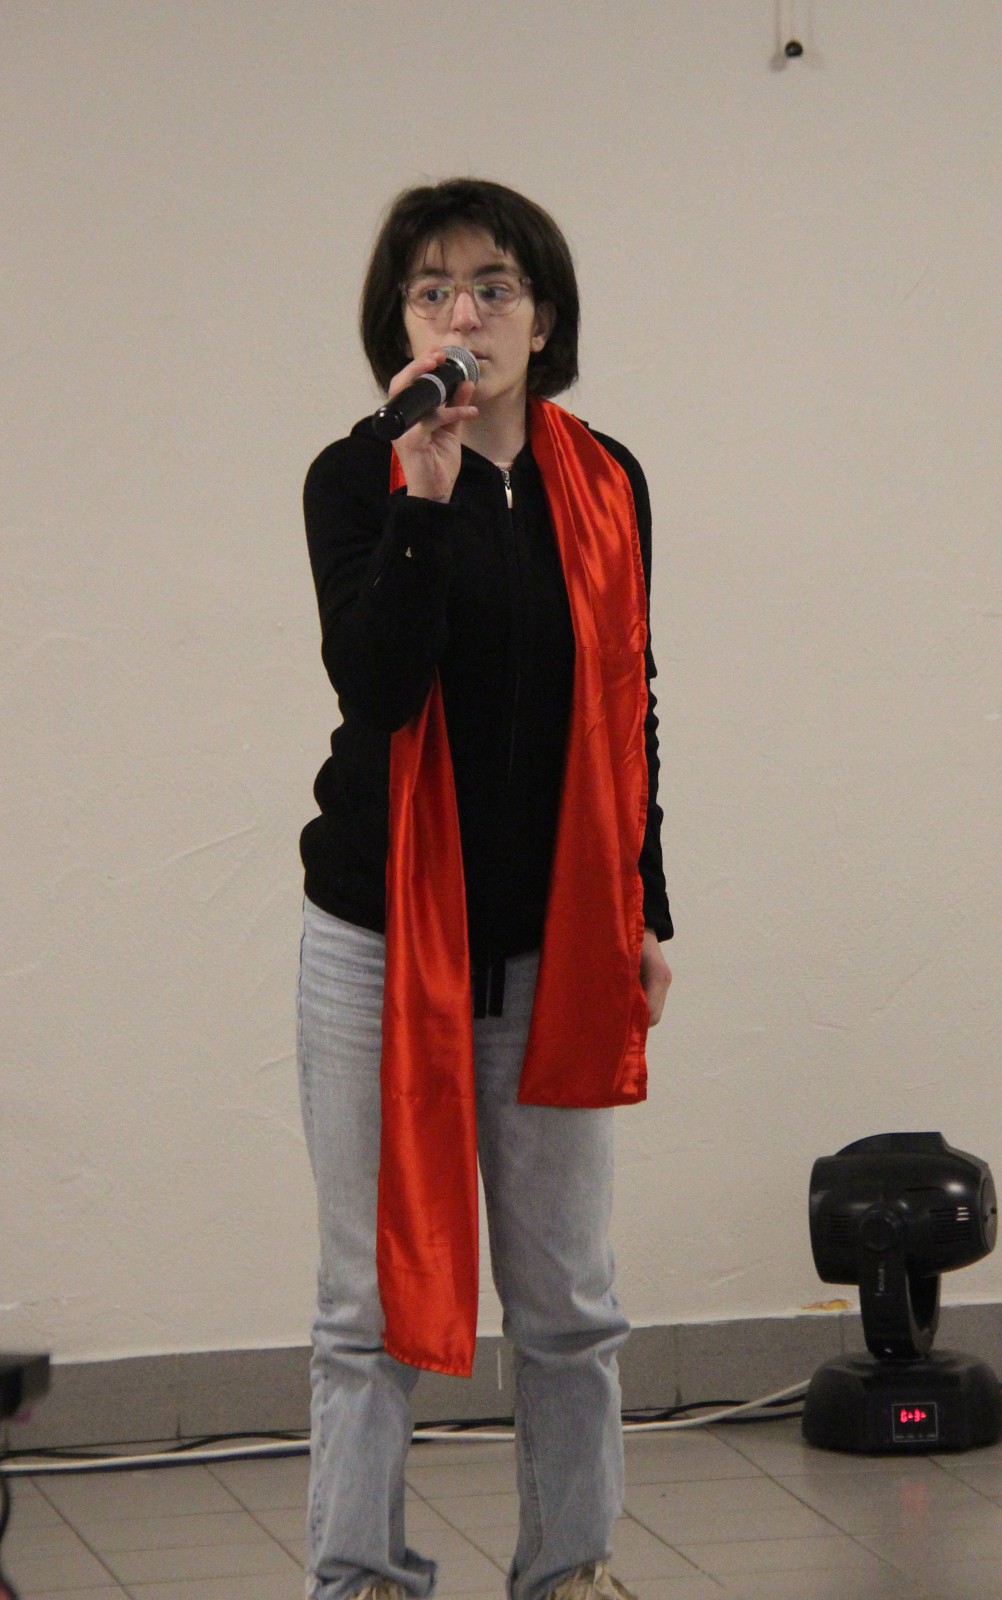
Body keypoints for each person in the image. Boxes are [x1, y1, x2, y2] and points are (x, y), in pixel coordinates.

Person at [297, 176, 673, 1600]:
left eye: (494, 287)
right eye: (433, 291)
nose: (465, 314)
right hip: (381, 945)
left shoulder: (609, 479)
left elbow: (628, 705)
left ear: (543, 316)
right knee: (367, 1304)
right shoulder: (356, 477)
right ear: (399, 324)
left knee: (569, 1303)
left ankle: (569, 1571)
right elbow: (378, 685)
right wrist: (426, 500)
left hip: (556, 947)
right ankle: (360, 1577)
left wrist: (644, 908)